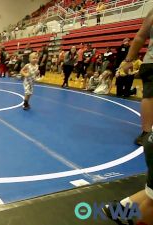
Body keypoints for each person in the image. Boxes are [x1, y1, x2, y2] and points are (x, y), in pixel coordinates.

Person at [104, 9, 153, 225]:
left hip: (151, 141)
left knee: (151, 192)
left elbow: (141, 35)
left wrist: (128, 61)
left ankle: (119, 209)